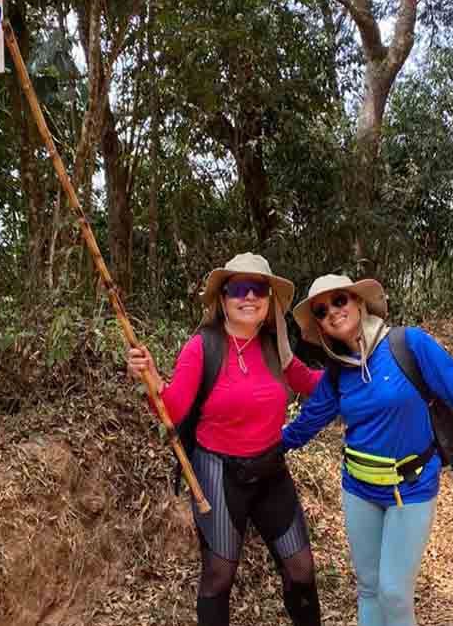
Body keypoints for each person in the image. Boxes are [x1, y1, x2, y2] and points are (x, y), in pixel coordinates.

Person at [281, 274, 453, 626]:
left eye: (340, 300)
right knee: (369, 588)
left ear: (359, 303)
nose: (333, 311)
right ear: (320, 326)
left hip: (411, 487)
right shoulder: (336, 374)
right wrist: (261, 451)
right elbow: (306, 424)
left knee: (393, 591)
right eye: (321, 309)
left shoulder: (409, 345)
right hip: (358, 489)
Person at [127, 253, 323, 626]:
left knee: (301, 568)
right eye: (239, 289)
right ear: (222, 299)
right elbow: (174, 408)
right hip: (217, 473)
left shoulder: (275, 346)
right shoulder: (202, 347)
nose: (249, 297)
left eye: (259, 289)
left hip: (270, 469)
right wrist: (151, 379)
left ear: (269, 302)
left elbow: (312, 383)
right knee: (219, 574)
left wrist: (358, 369)